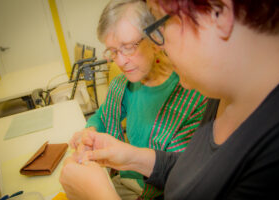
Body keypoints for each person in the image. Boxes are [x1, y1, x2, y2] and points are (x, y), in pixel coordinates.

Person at [60, 0, 279, 199]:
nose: (160, 45)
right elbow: (194, 174)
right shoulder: (220, 95)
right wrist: (131, 157)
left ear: (218, 11)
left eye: (161, 25)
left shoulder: (277, 150)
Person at [68, 0, 207, 199]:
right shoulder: (122, 85)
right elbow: (103, 116)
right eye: (113, 51)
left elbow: (184, 175)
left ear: (156, 38)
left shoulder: (193, 95)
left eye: (128, 47)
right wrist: (89, 131)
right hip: (125, 183)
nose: (121, 61)